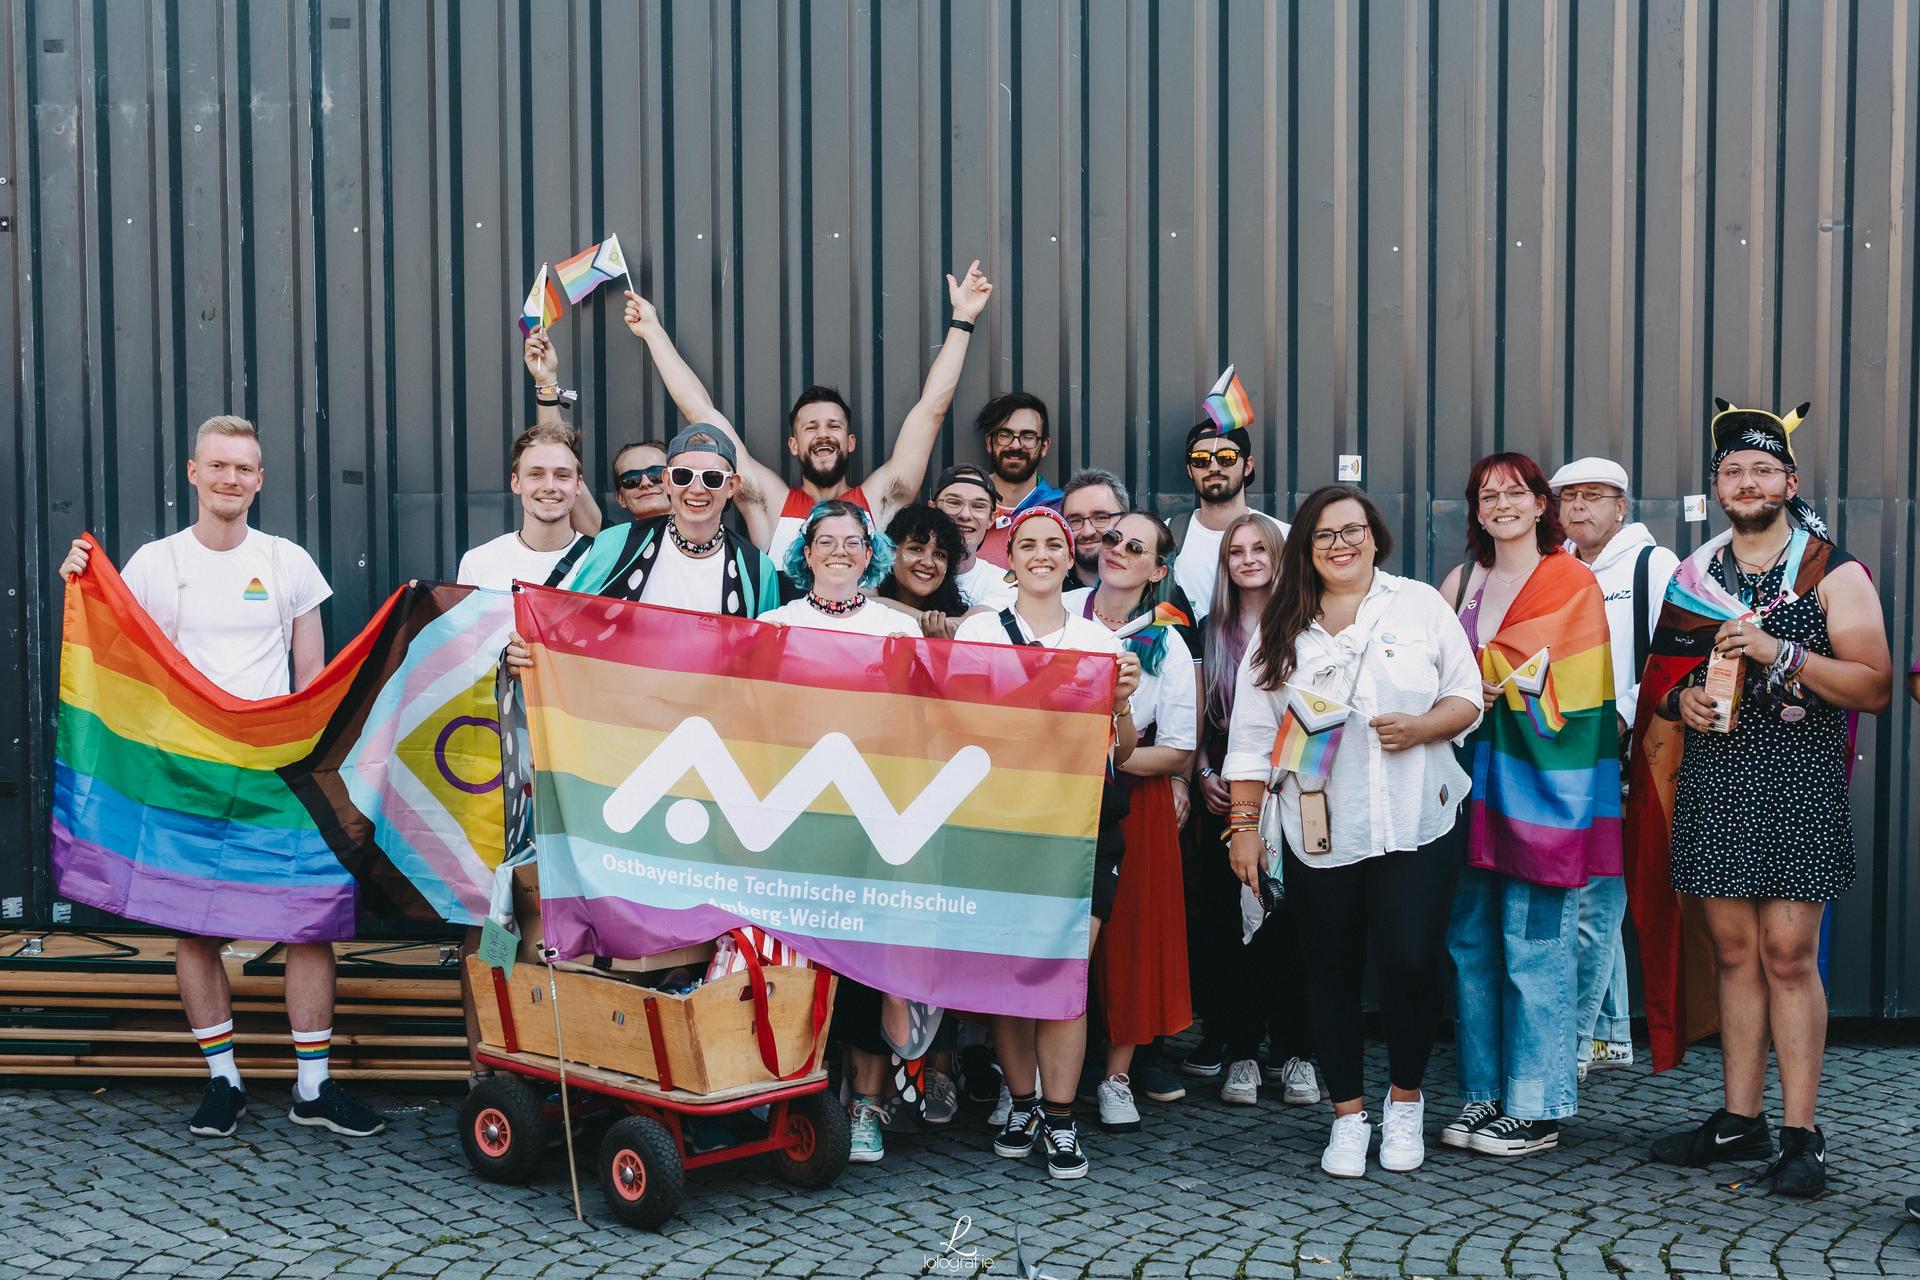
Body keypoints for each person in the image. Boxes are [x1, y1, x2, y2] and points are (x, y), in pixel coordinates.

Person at [58, 416, 383, 1141]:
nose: (232, 478)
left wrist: (307, 762)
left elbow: (311, 676)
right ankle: (223, 1082)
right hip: (186, 771)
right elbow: (121, 650)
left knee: (311, 924)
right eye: (219, 466)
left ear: (260, 479)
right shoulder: (153, 562)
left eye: (245, 468)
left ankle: (313, 1086)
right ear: (193, 473)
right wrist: (82, 584)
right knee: (194, 926)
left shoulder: (287, 560)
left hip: (277, 771)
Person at [1635, 401, 1890, 1198]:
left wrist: (1783, 651)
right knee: (1735, 956)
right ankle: (1739, 1120)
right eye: (1733, 471)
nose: (1747, 482)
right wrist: (1684, 707)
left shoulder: (1830, 572)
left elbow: (1875, 685)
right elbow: (1662, 682)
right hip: (1715, 778)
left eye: (1762, 469)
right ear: (1717, 486)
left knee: (1787, 957)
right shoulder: (1695, 574)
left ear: (1790, 480)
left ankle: (1801, 1132)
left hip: (1797, 781)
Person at [1224, 485, 1481, 1177]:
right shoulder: (1281, 626)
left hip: (1417, 821)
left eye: (1353, 530)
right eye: (1324, 535)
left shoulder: (1420, 604)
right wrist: (1242, 827)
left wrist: (1425, 726)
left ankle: (1404, 1102)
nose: (1341, 545)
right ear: (1306, 548)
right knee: (1329, 971)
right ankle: (1346, 1115)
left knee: (1409, 962)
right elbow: (1250, 738)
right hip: (1320, 829)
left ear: (1376, 537)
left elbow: (1466, 693)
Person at [1437, 452, 1619, 1158]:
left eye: (1516, 492)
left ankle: (1538, 1106)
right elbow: (1432, 667)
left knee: (1535, 945)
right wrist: (1455, 690)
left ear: (1543, 504)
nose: (1502, 504)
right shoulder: (1461, 582)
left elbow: (1580, 695)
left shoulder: (1573, 581)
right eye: (1488, 495)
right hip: (1468, 781)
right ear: (1477, 511)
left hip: (1546, 792)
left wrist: (1487, 683)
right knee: (1470, 944)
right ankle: (1484, 1093)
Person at [953, 507, 1142, 1180]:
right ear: (1011, 560)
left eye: (1052, 545)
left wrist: (1121, 700)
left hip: (1083, 823)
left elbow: (1124, 748)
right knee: (1013, 975)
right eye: (1026, 545)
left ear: (1071, 560)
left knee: (1064, 972)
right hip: (1004, 823)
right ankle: (1025, 1102)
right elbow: (963, 723)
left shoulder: (1098, 639)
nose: (1039, 555)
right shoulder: (980, 630)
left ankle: (1061, 1121)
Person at [757, 500, 927, 1162]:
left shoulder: (895, 631)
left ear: (869, 553)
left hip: (872, 818)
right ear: (804, 554)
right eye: (823, 540)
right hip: (793, 818)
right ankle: (787, 1097)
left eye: (850, 541)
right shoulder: (773, 626)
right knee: (796, 959)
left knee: (868, 963)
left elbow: (915, 723)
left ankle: (865, 1107)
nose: (836, 550)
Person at [616, 264, 994, 559]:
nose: (823, 433)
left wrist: (964, 319)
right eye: (811, 427)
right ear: (794, 445)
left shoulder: (881, 500)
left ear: (850, 442)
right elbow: (700, 411)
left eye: (833, 426)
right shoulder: (770, 503)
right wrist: (652, 332)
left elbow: (931, 411)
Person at [1549, 456, 1679, 1080]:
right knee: (1586, 894)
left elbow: (1674, 655)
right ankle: (1607, 1035)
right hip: (1569, 754)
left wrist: (1622, 719)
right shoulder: (1561, 568)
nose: (1578, 509)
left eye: (1594, 496)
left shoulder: (1653, 565)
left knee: (1599, 901)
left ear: (1622, 506)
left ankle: (1572, 1042)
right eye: (1568, 497)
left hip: (1628, 754)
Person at [1066, 513, 1197, 1131]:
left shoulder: (1167, 644)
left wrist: (1106, 759)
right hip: (1051, 790)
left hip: (1131, 794)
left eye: (1135, 547)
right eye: (1113, 538)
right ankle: (1039, 1078)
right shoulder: (1060, 612)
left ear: (1158, 570)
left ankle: (1116, 1076)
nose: (1117, 550)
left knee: (1129, 939)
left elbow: (1178, 750)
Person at [1183, 513, 1319, 1108]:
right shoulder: (1209, 631)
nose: (1247, 559)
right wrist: (1206, 774)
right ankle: (1239, 1052)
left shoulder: (1307, 625)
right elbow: (1199, 721)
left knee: (1294, 927)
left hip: (1298, 794)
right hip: (1229, 796)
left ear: (1280, 554)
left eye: (1259, 547)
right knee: (1229, 927)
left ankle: (1296, 1054)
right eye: (1235, 551)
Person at [1170, 420, 1289, 620]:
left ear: (1248, 465)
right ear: (1190, 469)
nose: (1213, 467)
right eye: (1201, 459)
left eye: (1227, 457)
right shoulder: (1167, 536)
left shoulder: (1284, 537)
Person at [454, 425, 591, 590]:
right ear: (516, 483)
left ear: (578, 485)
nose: (549, 486)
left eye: (562, 475)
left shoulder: (604, 562)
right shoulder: (477, 564)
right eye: (536, 474)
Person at [971, 393, 1068, 569]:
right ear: (989, 442)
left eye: (1028, 436)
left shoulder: (1063, 508)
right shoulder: (964, 508)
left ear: (1044, 447)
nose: (1015, 445)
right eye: (1004, 434)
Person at [876, 503, 972, 639]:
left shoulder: (959, 624)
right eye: (916, 549)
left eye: (939, 554)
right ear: (891, 552)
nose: (928, 563)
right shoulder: (863, 607)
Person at [931, 464, 1017, 611]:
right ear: (932, 509)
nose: (965, 515)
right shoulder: (909, 571)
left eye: (978, 506)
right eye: (954, 502)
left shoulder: (1004, 583)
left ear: (991, 518)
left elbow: (966, 627)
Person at [1060, 470, 1130, 589]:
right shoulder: (1049, 594)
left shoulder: (1154, 592)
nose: (1088, 532)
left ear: (1125, 519)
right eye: (1075, 520)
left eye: (1100, 518)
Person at [609, 439, 671, 522]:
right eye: (631, 479)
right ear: (621, 498)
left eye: (656, 473)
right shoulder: (610, 535)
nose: (645, 483)